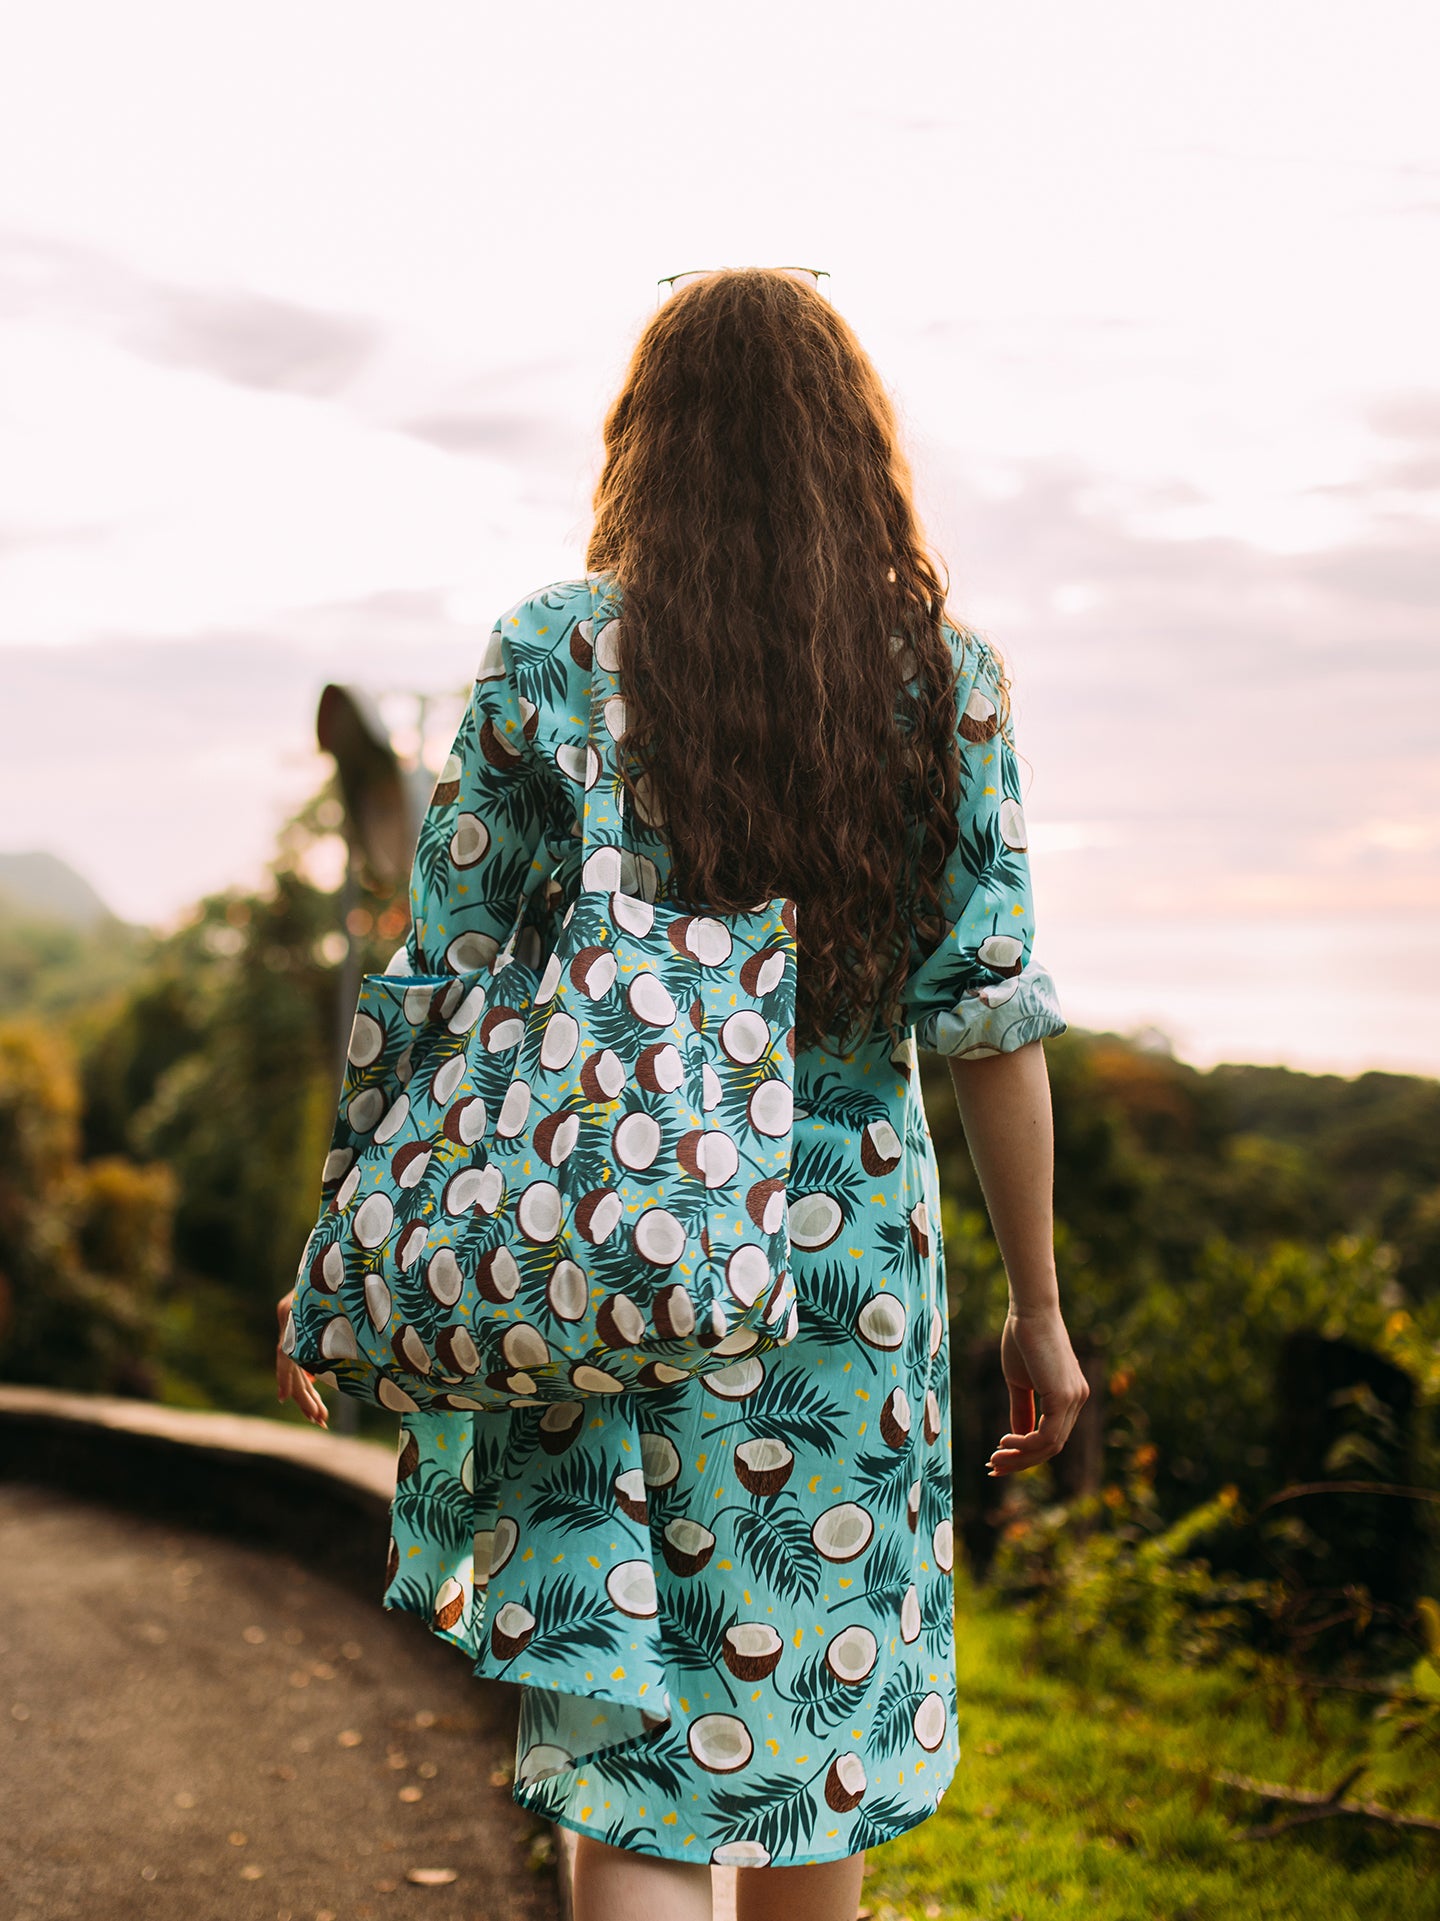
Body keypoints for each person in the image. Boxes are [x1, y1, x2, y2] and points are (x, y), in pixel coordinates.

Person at [277, 266, 1088, 1921]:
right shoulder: (947, 676)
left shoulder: (552, 655)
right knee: (813, 1764)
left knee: (630, 1770)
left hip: (602, 1242)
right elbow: (993, 1023)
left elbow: (432, 983)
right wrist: (1042, 1312)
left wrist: (347, 1247)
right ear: (849, 448)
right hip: (845, 1269)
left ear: (647, 445)